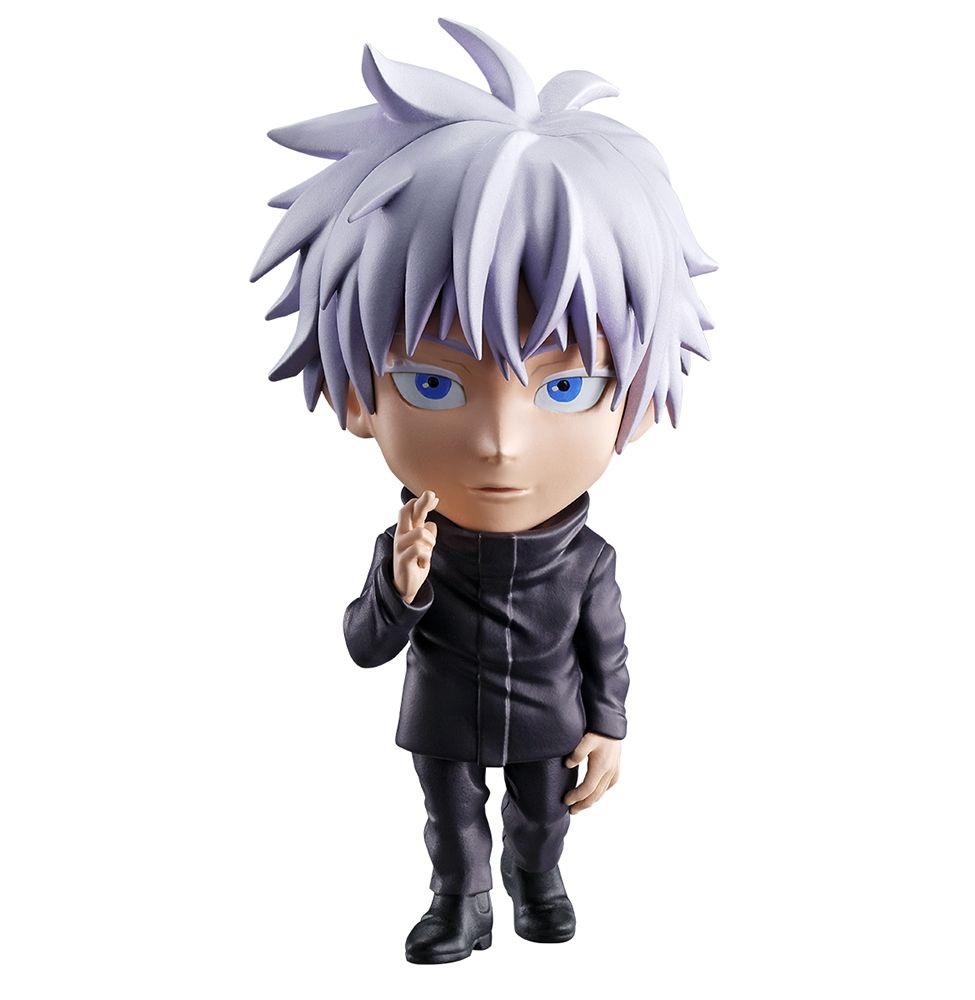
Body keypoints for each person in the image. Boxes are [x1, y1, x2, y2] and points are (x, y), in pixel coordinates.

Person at [251, 17, 716, 964]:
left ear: (636, 405)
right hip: (444, 720)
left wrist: (611, 728)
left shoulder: (588, 561)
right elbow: (365, 645)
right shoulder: (407, 545)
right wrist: (404, 583)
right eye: (432, 383)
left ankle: (537, 884)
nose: (502, 443)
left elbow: (607, 649)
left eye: (566, 387)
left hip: (549, 721)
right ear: (356, 400)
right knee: (451, 821)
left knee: (543, 820)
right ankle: (459, 904)